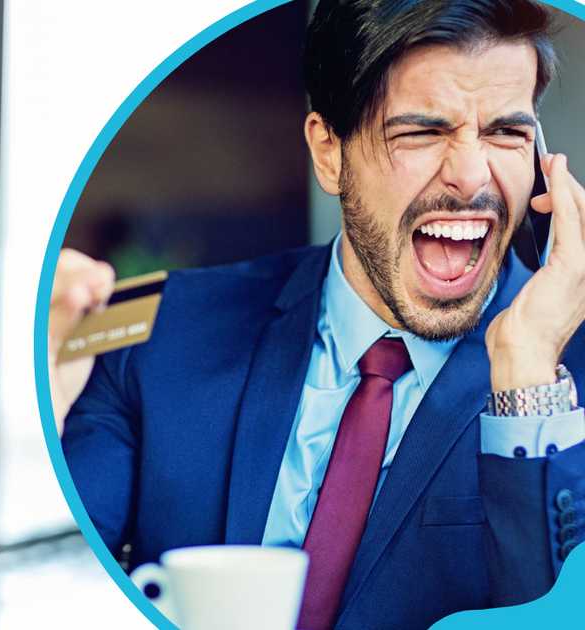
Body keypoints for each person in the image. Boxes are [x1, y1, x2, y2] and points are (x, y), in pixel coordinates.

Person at [50, 0, 585, 628]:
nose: (471, 177)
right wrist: (46, 377)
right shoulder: (157, 331)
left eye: (505, 133)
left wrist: (528, 379)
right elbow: (66, 580)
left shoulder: (563, 368)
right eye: (422, 131)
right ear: (329, 152)